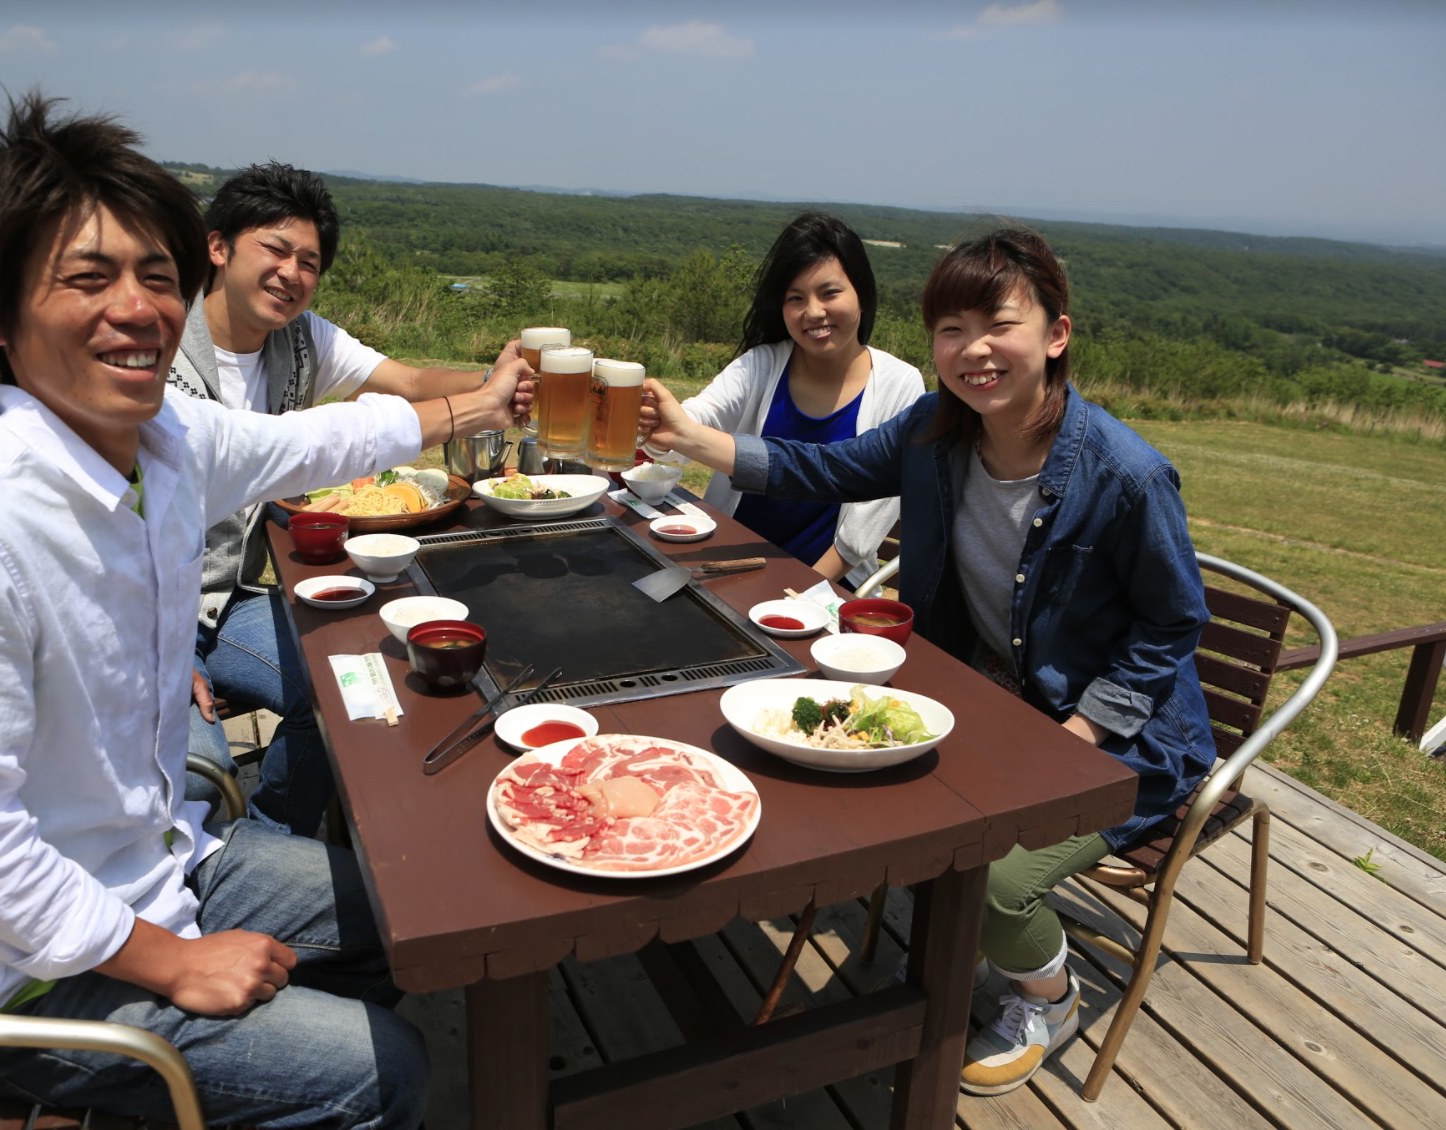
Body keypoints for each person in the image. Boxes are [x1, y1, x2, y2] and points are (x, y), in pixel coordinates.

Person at [0, 93, 523, 1129]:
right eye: (88, 277)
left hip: (169, 855)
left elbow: (325, 440)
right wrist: (173, 962)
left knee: (417, 898)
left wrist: (480, 399)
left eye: (158, 275)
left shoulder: (164, 445)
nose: (140, 306)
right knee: (384, 1070)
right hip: (24, 980)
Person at [639, 226, 1216, 1096]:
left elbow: (1173, 624)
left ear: (1056, 334)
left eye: (998, 325)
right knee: (807, 750)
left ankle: (1046, 993)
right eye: (950, 329)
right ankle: (937, 967)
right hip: (986, 698)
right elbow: (820, 466)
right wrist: (690, 438)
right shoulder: (936, 431)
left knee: (993, 879)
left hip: (1117, 740)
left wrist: (1083, 728)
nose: (973, 350)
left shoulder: (1126, 476)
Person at [169, 161, 533, 836]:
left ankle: (281, 836)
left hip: (233, 600)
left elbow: (410, 379)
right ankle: (227, 880)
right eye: (275, 250)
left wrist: (496, 383)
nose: (292, 274)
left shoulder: (303, 339)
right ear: (217, 247)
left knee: (350, 688)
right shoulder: (159, 341)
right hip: (154, 619)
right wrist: (159, 652)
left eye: (309, 262)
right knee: (195, 791)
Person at [671, 211, 921, 587]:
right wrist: (660, 422)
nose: (814, 312)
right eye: (796, 298)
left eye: (830, 292)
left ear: (862, 294)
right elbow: (699, 417)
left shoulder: (900, 385)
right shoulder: (762, 364)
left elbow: (861, 534)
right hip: (730, 568)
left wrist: (802, 594)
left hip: (827, 586)